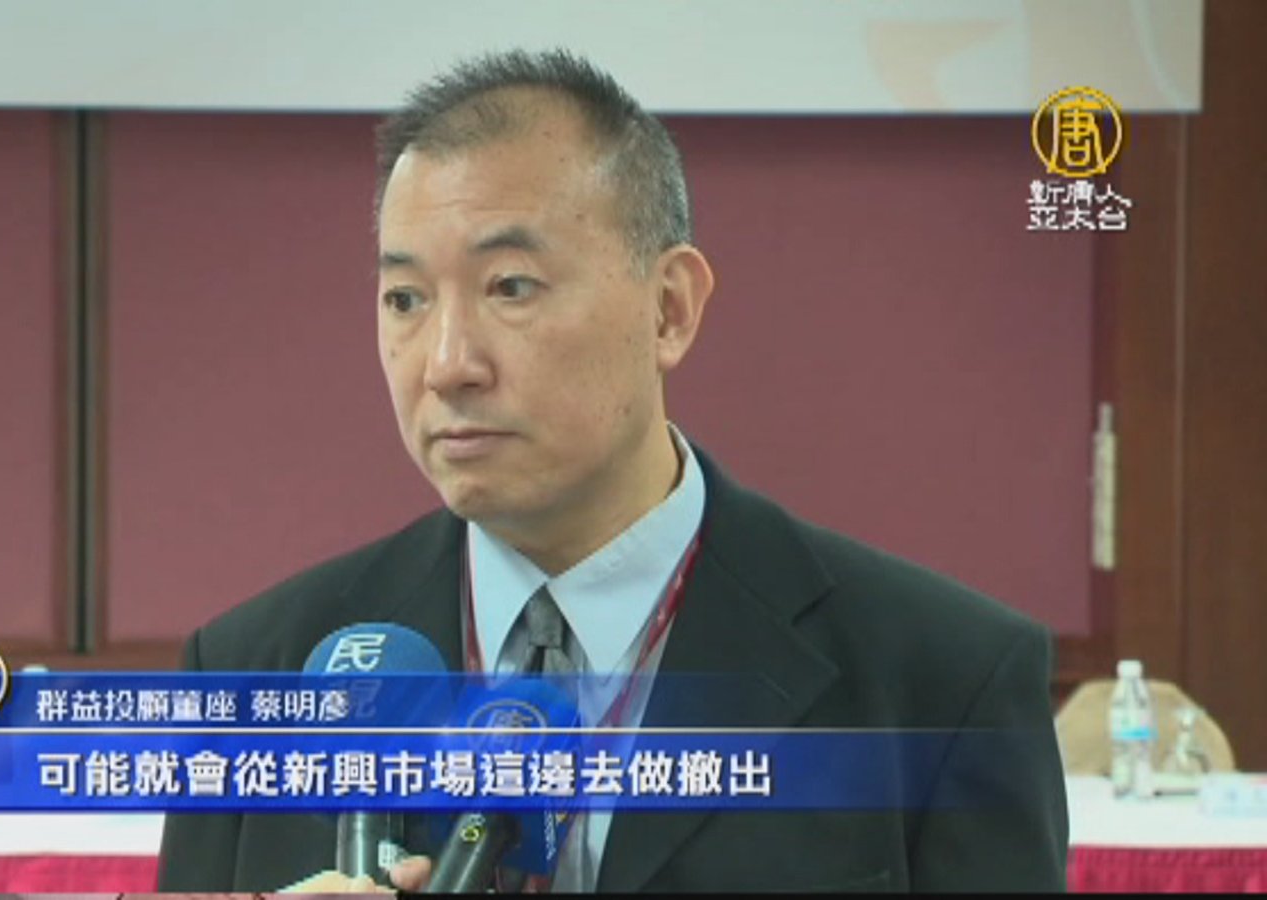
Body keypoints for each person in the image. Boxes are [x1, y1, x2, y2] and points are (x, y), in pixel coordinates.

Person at [157, 48, 1068, 893]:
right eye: (405, 298)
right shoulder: (254, 671)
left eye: (510, 286)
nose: (446, 364)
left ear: (669, 309)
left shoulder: (945, 681)